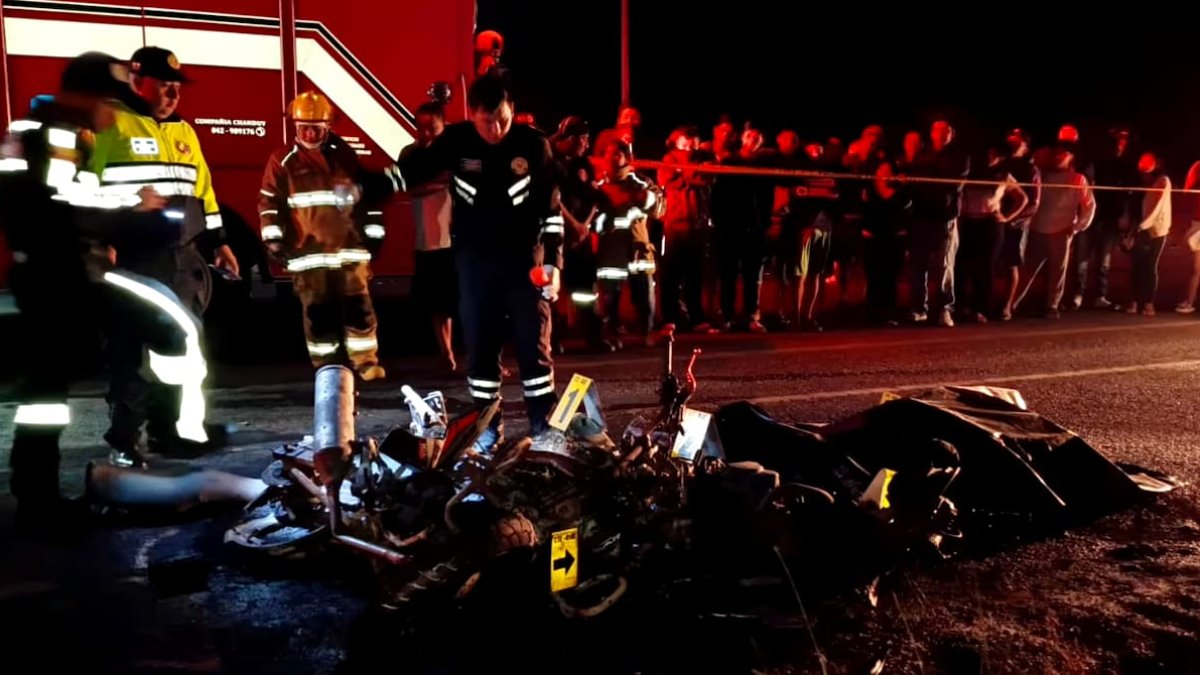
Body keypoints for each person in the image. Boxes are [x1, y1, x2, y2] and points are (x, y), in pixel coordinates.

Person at [2, 52, 202, 532]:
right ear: (88, 96)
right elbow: (62, 205)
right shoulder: (55, 136)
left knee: (48, 395)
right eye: (111, 101)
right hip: (57, 280)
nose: (113, 113)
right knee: (46, 397)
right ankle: (38, 506)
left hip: (62, 276)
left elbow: (67, 201)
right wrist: (133, 209)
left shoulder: (55, 134)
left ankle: (41, 497)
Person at [397, 75, 561, 451]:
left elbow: (550, 211)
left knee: (534, 347)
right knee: (481, 350)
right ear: (472, 115)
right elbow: (413, 169)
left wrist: (554, 264)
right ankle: (488, 428)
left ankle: (543, 425)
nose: (496, 129)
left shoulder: (534, 146)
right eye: (487, 121)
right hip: (476, 266)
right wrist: (365, 185)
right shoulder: (456, 142)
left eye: (503, 119)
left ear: (513, 111)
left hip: (525, 263)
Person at [91, 46, 238, 465]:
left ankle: (166, 433)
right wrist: (107, 233)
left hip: (181, 259)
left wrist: (219, 243)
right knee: (133, 356)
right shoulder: (111, 126)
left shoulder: (185, 133)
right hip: (135, 260)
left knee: (178, 354)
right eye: (163, 85)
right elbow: (85, 186)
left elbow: (204, 194)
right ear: (138, 81)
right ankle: (124, 442)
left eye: (176, 86)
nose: (173, 94)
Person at [259, 91, 396, 380]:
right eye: (303, 127)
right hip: (308, 253)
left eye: (316, 127)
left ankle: (366, 363)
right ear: (295, 127)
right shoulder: (282, 161)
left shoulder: (344, 156)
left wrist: (372, 235)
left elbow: (365, 196)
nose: (309, 133)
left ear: (327, 127)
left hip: (349, 251)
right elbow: (269, 202)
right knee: (319, 315)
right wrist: (273, 239)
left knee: (359, 309)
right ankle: (328, 369)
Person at [398, 102, 457, 372]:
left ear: (443, 125)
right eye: (420, 128)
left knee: (463, 300)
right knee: (436, 303)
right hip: (428, 239)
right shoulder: (410, 154)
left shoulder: (455, 150)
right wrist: (442, 181)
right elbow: (410, 188)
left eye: (432, 128)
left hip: (457, 236)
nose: (426, 134)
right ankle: (446, 352)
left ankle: (485, 357)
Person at [594, 135, 661, 348]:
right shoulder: (599, 186)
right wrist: (603, 223)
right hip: (610, 251)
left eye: (618, 153)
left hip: (637, 249)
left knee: (643, 293)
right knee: (610, 298)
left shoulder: (641, 183)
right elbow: (592, 219)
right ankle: (612, 333)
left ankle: (647, 331)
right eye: (609, 153)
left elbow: (660, 207)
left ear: (627, 157)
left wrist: (645, 198)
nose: (613, 157)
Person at [1123, 151, 1171, 316]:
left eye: (1147, 173)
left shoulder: (1163, 181)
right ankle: (1134, 301)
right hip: (1141, 228)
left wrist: (1141, 226)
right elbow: (1136, 204)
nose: (1144, 176)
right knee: (1137, 265)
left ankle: (1148, 303)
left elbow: (1156, 208)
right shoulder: (1143, 182)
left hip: (1157, 230)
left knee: (1150, 266)